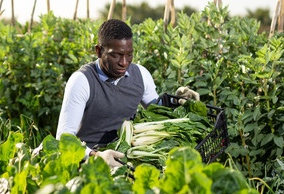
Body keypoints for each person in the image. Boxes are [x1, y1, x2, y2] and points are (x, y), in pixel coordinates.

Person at [56, 19, 199, 168]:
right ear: (98, 51)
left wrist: (177, 100)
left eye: (129, 54)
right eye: (115, 55)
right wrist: (96, 156)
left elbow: (156, 110)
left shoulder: (141, 75)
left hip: (128, 158)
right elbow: (64, 137)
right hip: (89, 161)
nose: (124, 62)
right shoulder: (82, 80)